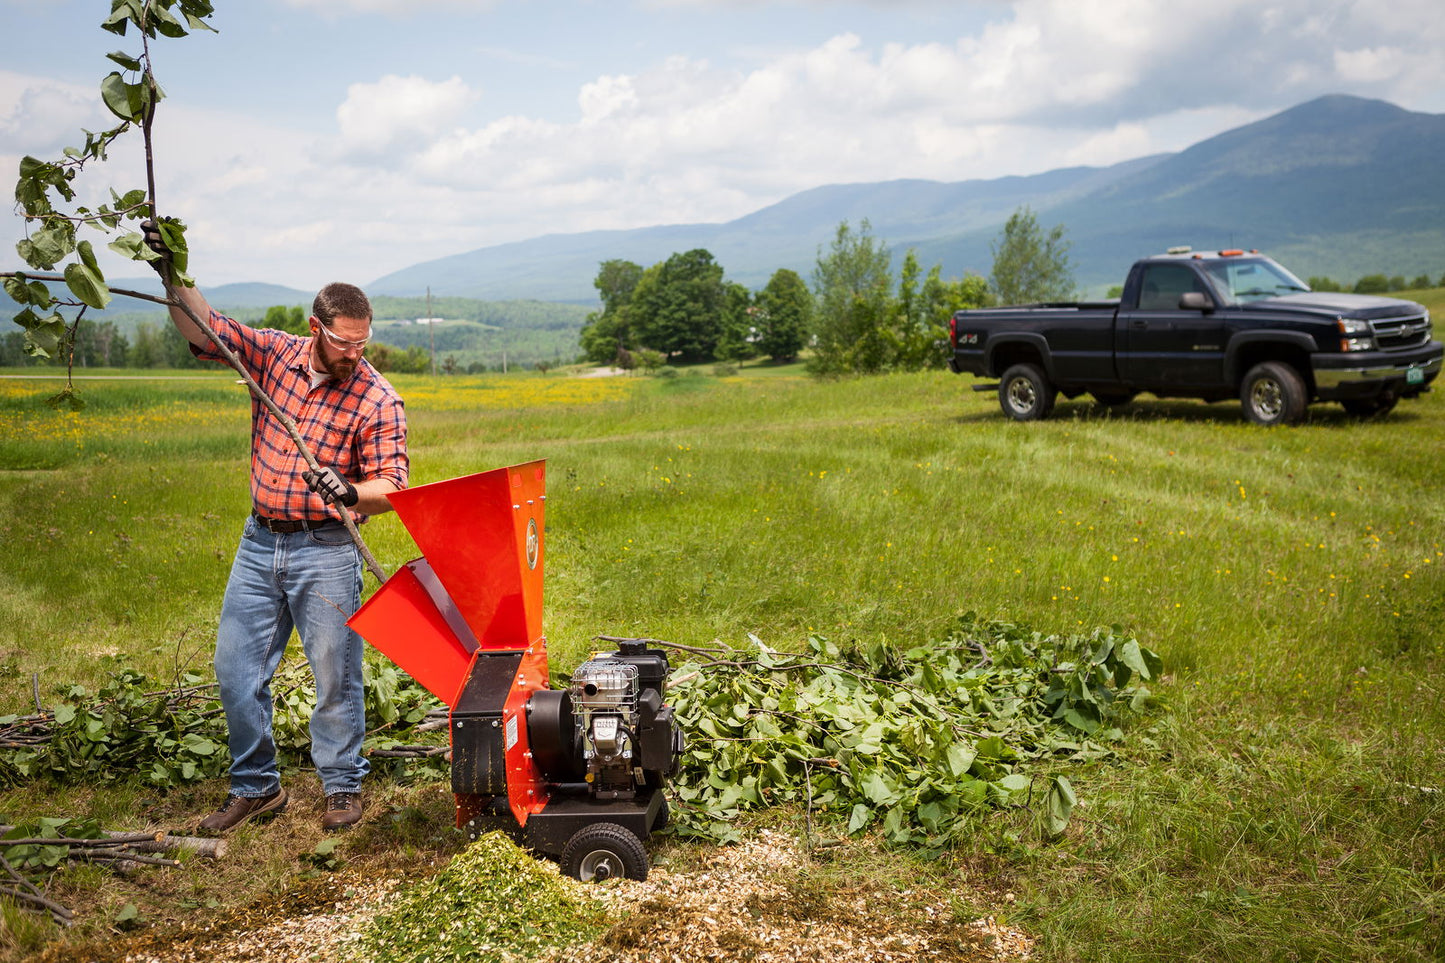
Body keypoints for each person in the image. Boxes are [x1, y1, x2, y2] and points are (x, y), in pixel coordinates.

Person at [143, 221, 409, 834]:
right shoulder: (273, 354)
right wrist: (171, 270)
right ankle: (257, 787)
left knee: (335, 676)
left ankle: (342, 786)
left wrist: (350, 491)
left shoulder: (377, 399)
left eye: (363, 344)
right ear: (316, 328)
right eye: (344, 343)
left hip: (327, 550)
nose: (355, 355)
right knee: (235, 671)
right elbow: (207, 330)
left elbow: (393, 486)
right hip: (260, 542)